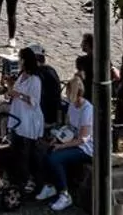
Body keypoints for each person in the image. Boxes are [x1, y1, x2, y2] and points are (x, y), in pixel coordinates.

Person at [37, 71, 93, 209]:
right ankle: (50, 185)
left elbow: (83, 139)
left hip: (86, 148)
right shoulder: (72, 106)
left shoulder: (87, 110)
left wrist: (62, 147)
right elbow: (68, 126)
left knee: (55, 158)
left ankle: (64, 194)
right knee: (45, 150)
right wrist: (57, 139)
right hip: (73, 140)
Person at [6, 45, 45, 188]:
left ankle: (28, 180)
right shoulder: (21, 76)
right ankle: (17, 178)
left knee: (25, 153)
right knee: (16, 152)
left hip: (28, 120)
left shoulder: (35, 80)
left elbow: (34, 101)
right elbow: (13, 92)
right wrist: (10, 85)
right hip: (17, 116)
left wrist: (19, 95)